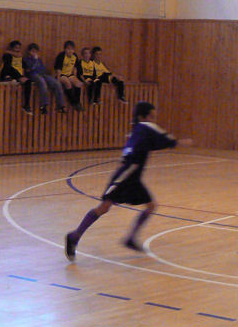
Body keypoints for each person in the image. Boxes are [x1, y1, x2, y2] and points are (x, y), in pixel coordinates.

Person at [65, 101, 190, 260]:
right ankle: (74, 236)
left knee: (151, 206)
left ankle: (130, 238)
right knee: (104, 207)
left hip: (133, 177)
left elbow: (152, 144)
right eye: (151, 116)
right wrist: (179, 142)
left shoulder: (137, 130)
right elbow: (166, 139)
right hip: (126, 176)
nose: (153, 119)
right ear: (143, 116)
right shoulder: (146, 127)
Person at [22, 43, 68, 114]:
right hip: (32, 75)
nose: (34, 53)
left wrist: (37, 62)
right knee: (42, 82)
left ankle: (60, 105)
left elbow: (43, 69)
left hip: (41, 74)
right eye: (32, 51)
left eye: (36, 51)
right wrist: (35, 60)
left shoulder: (39, 60)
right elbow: (29, 69)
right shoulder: (26, 59)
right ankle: (43, 105)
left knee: (56, 83)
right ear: (29, 51)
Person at [0, 39, 33, 115]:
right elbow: (7, 67)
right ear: (11, 48)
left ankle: (26, 105)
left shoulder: (21, 57)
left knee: (28, 82)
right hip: (8, 73)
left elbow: (26, 68)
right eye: (16, 48)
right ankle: (7, 77)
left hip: (18, 75)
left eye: (19, 48)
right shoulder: (7, 55)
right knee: (10, 68)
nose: (18, 50)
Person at [54, 40, 85, 111]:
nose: (70, 51)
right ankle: (72, 101)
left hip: (70, 74)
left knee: (78, 84)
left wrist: (75, 78)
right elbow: (58, 69)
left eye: (72, 49)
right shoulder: (61, 56)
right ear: (65, 49)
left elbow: (75, 68)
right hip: (62, 75)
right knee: (67, 83)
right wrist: (58, 80)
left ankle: (77, 102)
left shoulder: (74, 56)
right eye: (68, 49)